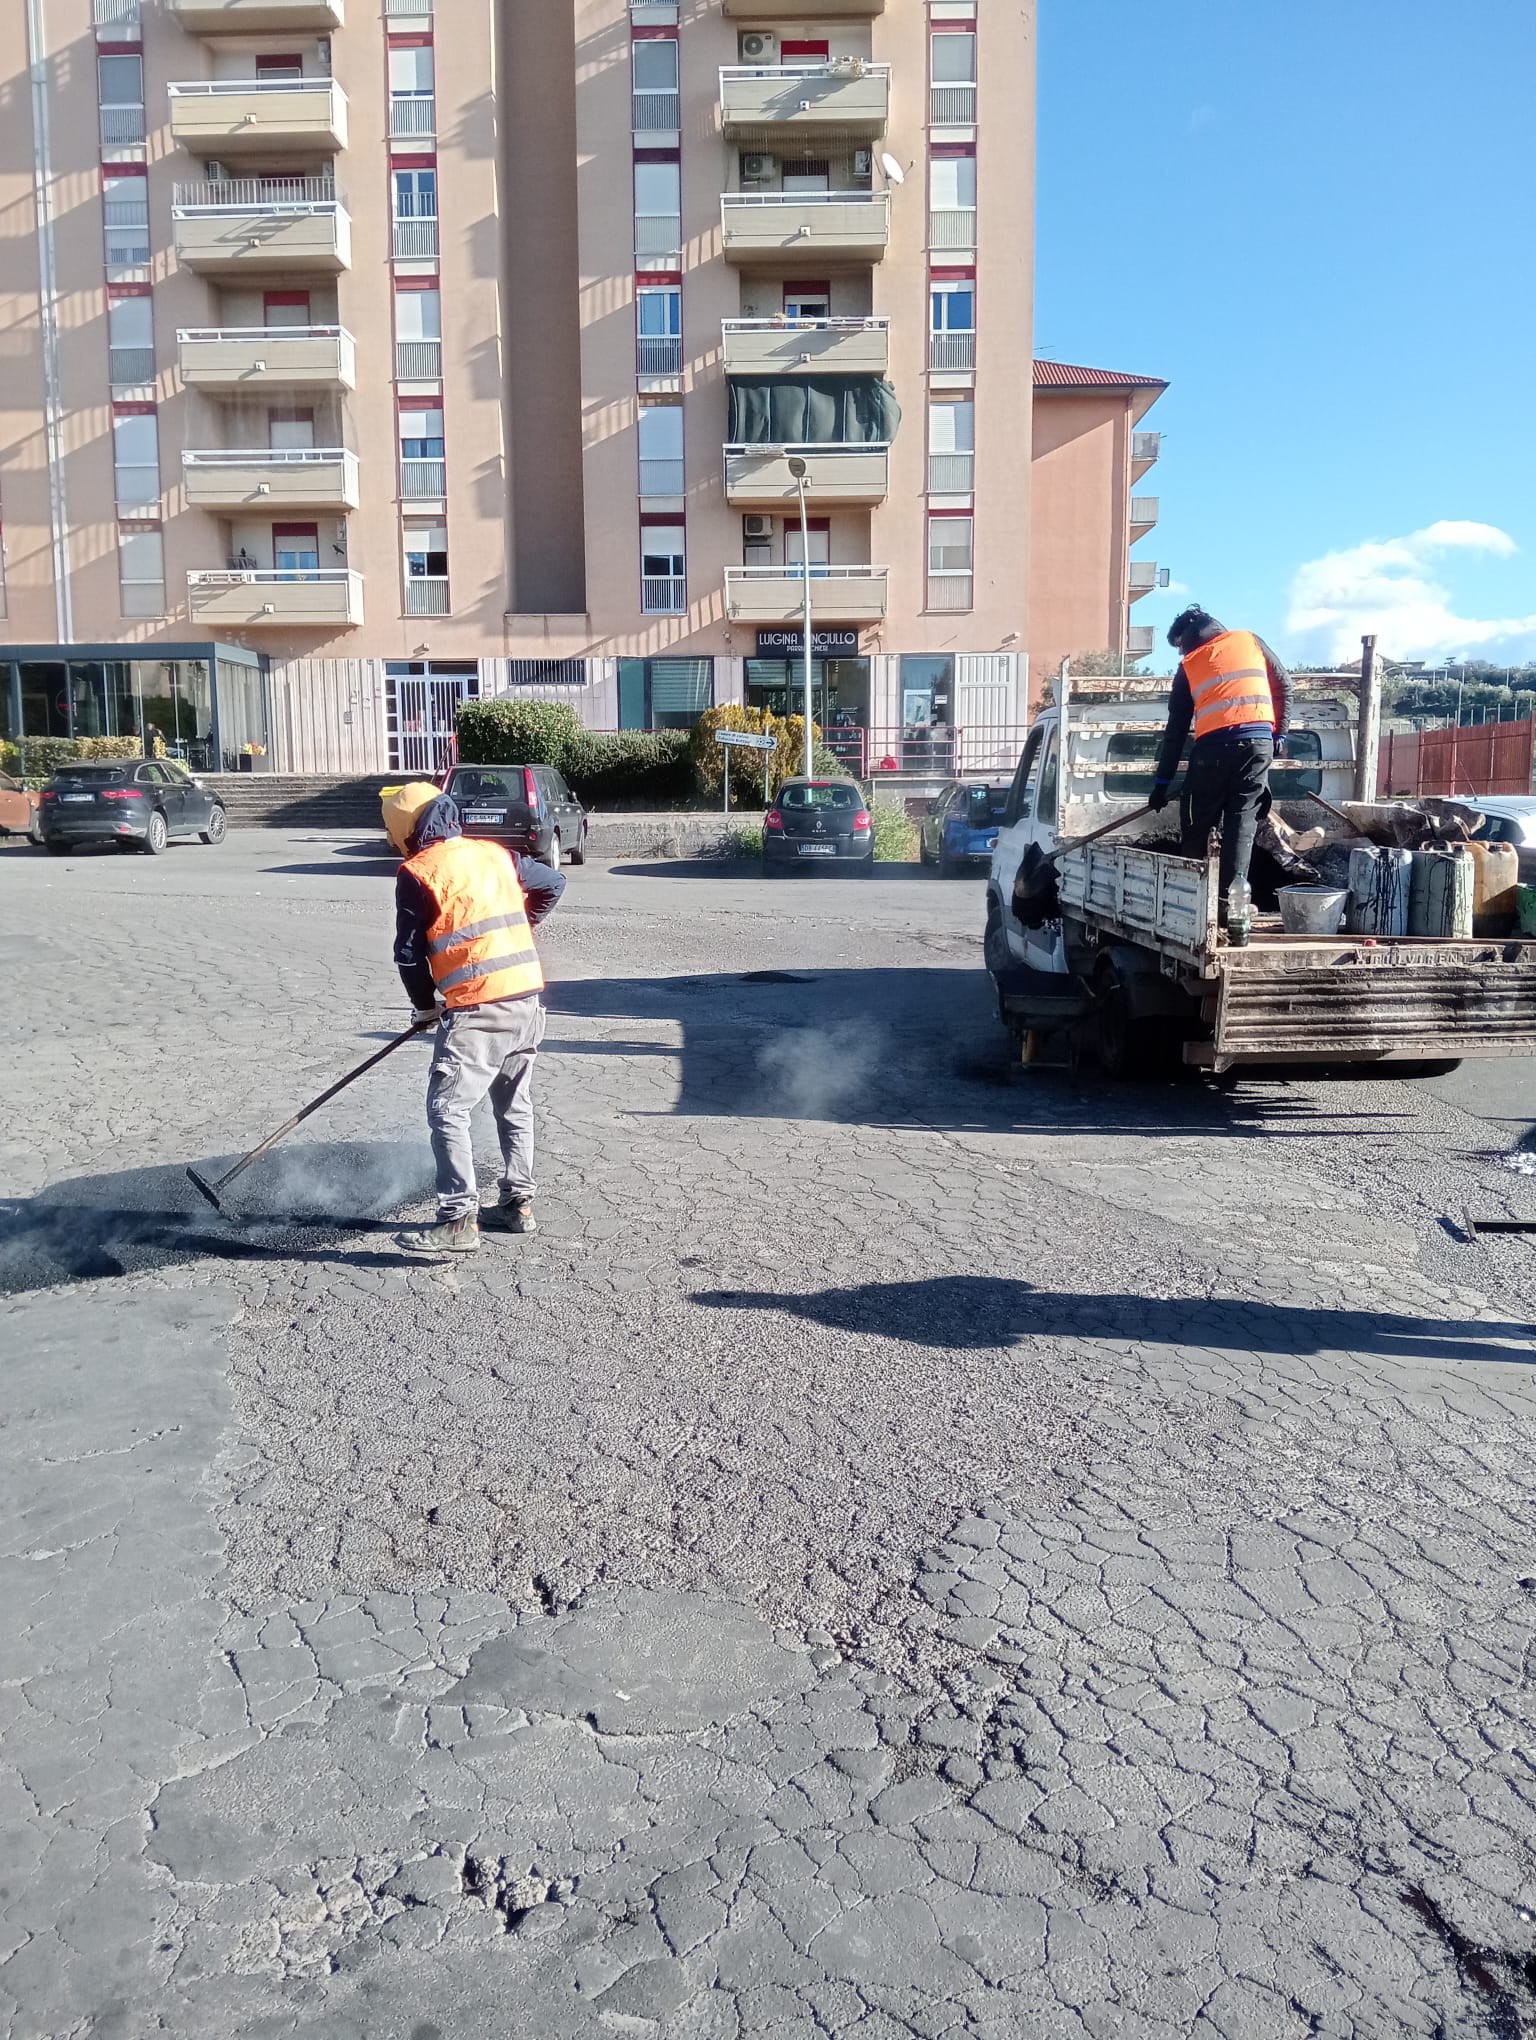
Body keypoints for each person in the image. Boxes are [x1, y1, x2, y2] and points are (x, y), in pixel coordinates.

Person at [391, 788, 565, 1256]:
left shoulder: (418, 872)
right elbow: (553, 883)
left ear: (406, 830)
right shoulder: (494, 854)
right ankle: (517, 1205)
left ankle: (457, 1220)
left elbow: (408, 955)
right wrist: (518, 928)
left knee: (447, 1109)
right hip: (526, 997)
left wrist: (425, 1006)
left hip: (478, 1007)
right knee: (514, 1105)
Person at [1148, 605, 1292, 918]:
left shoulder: (1190, 665)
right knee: (1242, 823)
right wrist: (1279, 734)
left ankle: (1192, 903)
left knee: (1196, 823)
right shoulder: (1250, 641)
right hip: (1258, 747)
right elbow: (1284, 686)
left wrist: (1162, 783)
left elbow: (1175, 731)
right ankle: (1230, 907)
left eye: (1178, 646)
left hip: (1212, 751)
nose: (1180, 653)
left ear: (1187, 637)